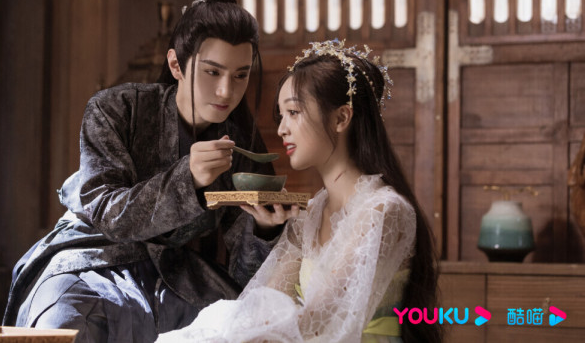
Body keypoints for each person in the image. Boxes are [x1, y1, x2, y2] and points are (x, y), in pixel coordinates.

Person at [2, 0, 298, 343]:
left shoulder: (239, 144)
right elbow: (107, 213)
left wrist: (264, 231)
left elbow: (246, 273)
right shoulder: (114, 109)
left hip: (179, 275)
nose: (226, 91)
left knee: (235, 328)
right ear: (176, 64)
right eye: (212, 72)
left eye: (240, 75)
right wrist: (187, 178)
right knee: (65, 320)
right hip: (90, 258)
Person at [158, 39, 442, 343]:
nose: (282, 128)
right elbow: (265, 304)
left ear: (341, 118)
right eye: (281, 115)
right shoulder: (312, 213)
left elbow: (317, 321)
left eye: (293, 112)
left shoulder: (382, 210)